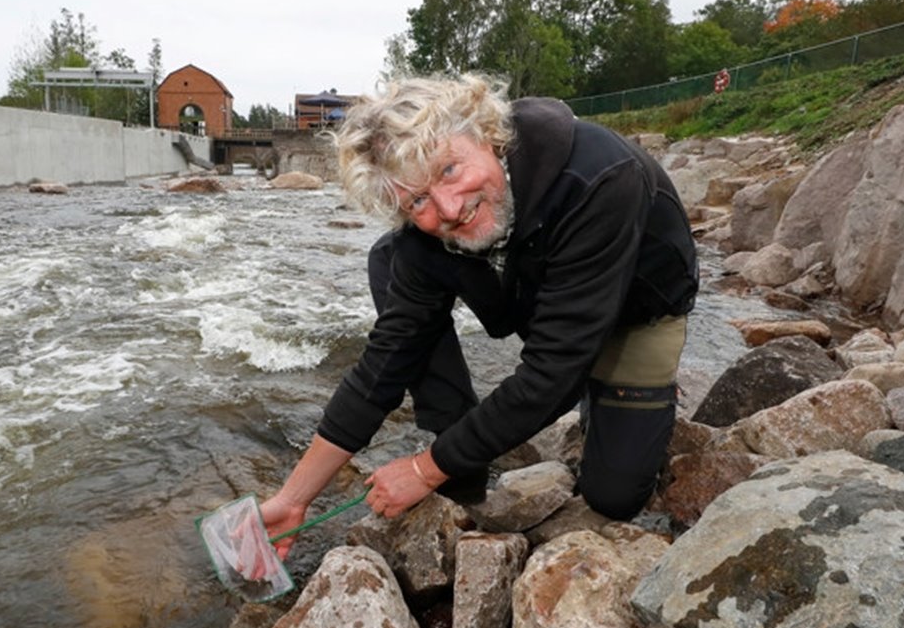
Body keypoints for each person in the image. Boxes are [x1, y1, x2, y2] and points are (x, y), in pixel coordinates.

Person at [260, 74, 699, 559]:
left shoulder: (599, 177)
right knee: (392, 259)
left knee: (613, 496)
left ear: (488, 136)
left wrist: (424, 470)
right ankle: (460, 456)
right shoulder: (429, 232)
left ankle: (607, 396)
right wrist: (293, 498)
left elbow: (551, 373)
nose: (448, 208)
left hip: (638, 313)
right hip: (538, 293)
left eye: (448, 170)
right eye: (417, 200)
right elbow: (382, 367)